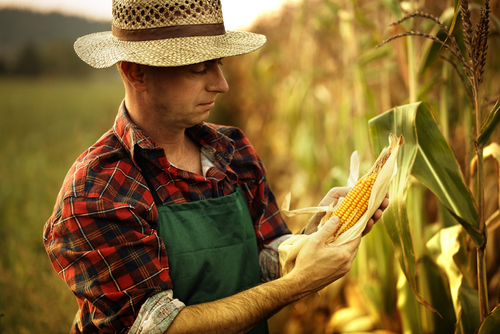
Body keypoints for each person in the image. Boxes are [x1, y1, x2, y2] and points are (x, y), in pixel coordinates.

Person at [43, 0, 388, 333]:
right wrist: (297, 286)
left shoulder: (232, 150)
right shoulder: (98, 191)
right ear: (136, 73)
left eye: (218, 64)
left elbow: (263, 259)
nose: (221, 84)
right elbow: (154, 327)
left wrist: (321, 232)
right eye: (198, 69)